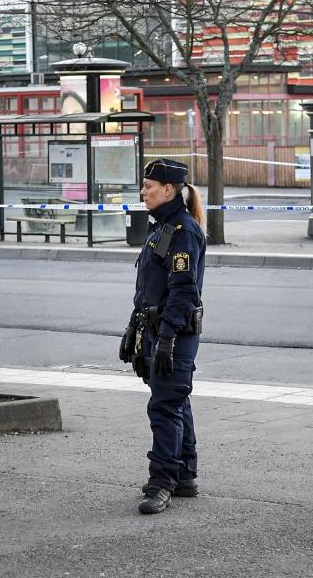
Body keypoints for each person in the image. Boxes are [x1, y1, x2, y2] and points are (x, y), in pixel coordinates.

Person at [119, 158, 207, 515]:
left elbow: (183, 293)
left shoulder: (182, 230)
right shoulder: (164, 227)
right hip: (158, 329)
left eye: (148, 186)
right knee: (175, 400)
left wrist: (168, 338)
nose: (143, 192)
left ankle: (162, 483)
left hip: (175, 332)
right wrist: (134, 326)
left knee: (164, 406)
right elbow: (151, 286)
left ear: (168, 190)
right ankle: (184, 474)